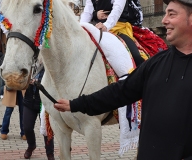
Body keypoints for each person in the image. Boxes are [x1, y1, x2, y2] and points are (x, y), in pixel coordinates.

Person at [54, 0, 192, 159]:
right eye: (165, 13)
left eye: (172, 14)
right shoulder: (156, 64)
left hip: (118, 27)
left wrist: (107, 25)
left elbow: (118, 8)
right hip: (96, 28)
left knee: (134, 55)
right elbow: (120, 91)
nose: (164, 20)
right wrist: (74, 104)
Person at [80, 0, 147, 66]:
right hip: (97, 27)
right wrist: (81, 27)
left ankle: (139, 74)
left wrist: (106, 26)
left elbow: (117, 9)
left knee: (136, 56)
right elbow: (87, 13)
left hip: (118, 27)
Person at [23, 65, 55, 160]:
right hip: (29, 101)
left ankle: (50, 153)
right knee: (27, 127)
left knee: (47, 129)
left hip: (44, 102)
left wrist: (37, 83)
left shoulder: (48, 66)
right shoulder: (30, 64)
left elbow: (52, 82)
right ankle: (31, 146)